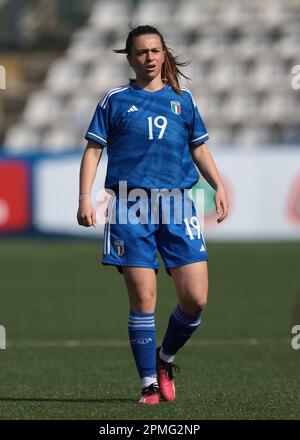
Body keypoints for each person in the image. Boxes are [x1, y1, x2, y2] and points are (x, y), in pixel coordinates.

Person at [77, 25, 228, 405]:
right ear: (130, 58)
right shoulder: (115, 99)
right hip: (131, 206)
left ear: (164, 54)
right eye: (141, 52)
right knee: (144, 298)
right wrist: (84, 197)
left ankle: (165, 359)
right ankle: (148, 383)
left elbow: (199, 149)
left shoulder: (184, 100)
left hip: (178, 205)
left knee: (195, 300)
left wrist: (218, 185)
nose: (149, 57)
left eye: (155, 50)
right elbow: (94, 151)